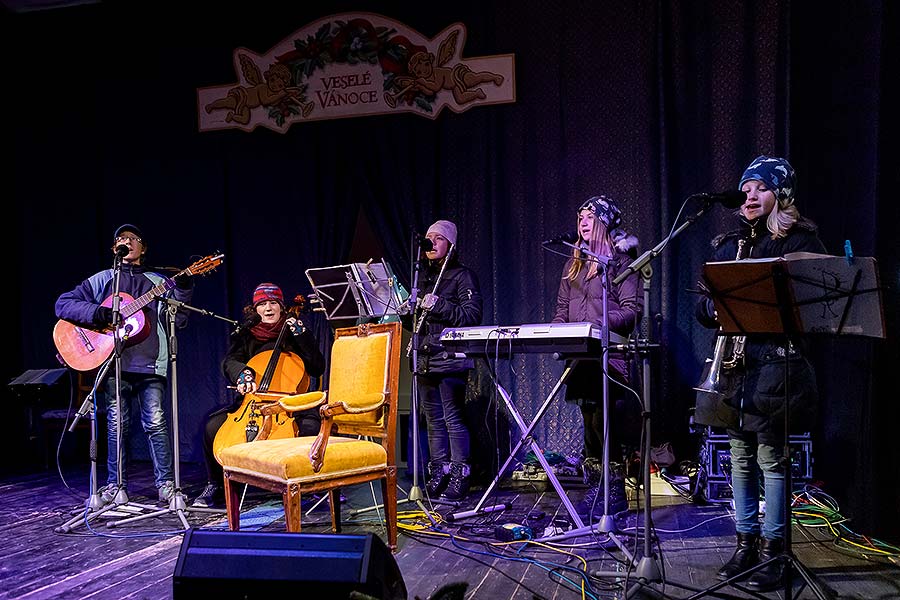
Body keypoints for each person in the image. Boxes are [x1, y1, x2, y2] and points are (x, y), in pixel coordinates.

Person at [695, 156, 825, 591]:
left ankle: (775, 551)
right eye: (746, 188)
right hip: (735, 367)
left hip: (777, 365)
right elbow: (701, 304)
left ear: (780, 195)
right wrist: (714, 306)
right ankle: (745, 544)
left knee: (771, 459)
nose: (749, 196)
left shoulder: (800, 239)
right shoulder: (729, 243)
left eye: (761, 188)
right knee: (740, 459)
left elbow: (817, 299)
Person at [55, 224, 192, 505]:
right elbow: (63, 304)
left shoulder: (157, 280)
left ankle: (166, 485)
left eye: (133, 238)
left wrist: (185, 288)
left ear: (143, 248)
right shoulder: (104, 278)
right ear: (114, 248)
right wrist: (99, 313)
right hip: (113, 360)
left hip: (151, 361)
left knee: (155, 422)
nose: (127, 241)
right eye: (121, 238)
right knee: (117, 423)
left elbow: (179, 320)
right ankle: (116, 486)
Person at [193, 282, 326, 508]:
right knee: (212, 426)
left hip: (291, 403)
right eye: (262, 304)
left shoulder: (295, 331)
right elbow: (230, 361)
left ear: (282, 307)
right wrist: (243, 375)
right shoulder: (246, 333)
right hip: (253, 403)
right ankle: (215, 483)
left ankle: (311, 483)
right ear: (254, 310)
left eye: (273, 303)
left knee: (311, 428)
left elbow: (317, 367)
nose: (268, 308)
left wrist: (303, 336)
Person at [551, 196, 642, 521]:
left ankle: (613, 492)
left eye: (590, 216)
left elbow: (632, 311)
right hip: (581, 360)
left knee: (605, 424)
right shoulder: (572, 264)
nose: (583, 222)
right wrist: (557, 330)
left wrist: (597, 326)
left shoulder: (620, 263)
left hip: (610, 358)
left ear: (603, 222)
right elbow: (562, 310)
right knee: (589, 423)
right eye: (580, 217)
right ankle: (596, 489)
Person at [412, 220, 483, 501]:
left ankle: (460, 474)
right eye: (428, 237)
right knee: (433, 420)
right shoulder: (422, 278)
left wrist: (438, 304)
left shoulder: (462, 276)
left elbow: (472, 316)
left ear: (451, 245)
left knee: (452, 418)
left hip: (450, 357)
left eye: (438, 238)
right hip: (425, 356)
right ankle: (438, 472)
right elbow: (417, 324)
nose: (431, 243)